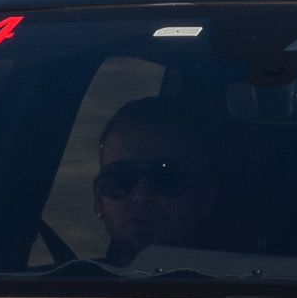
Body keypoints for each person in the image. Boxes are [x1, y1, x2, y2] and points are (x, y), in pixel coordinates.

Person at [91, 97, 221, 263]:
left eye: (167, 176)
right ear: (98, 197)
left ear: (207, 194)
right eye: (120, 176)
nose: (142, 196)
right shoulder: (67, 285)